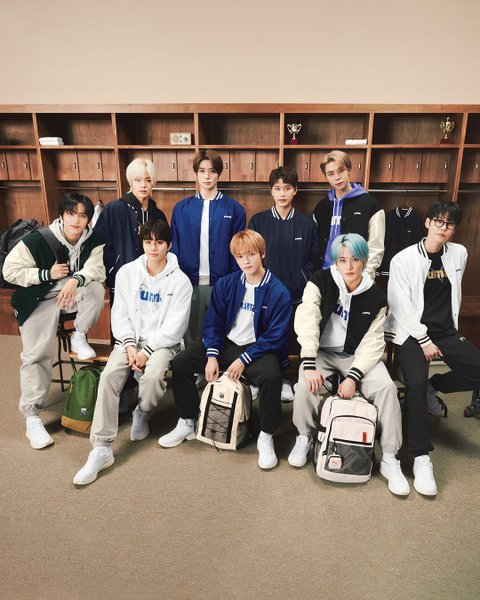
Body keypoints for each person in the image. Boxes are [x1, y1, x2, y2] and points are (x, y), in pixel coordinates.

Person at [159, 230, 292, 469]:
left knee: (271, 377)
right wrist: (212, 355)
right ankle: (188, 420)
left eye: (251, 254)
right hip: (227, 345)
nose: (246, 261)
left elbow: (276, 336)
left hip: (259, 349)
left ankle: (266, 434)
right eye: (240, 257)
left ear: (262, 254)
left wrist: (244, 359)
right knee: (181, 362)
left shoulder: (279, 291)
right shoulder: (227, 284)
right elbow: (213, 323)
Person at [73, 220, 193, 485]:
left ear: (169, 245)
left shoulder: (181, 281)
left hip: (162, 344)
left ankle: (142, 410)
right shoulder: (127, 272)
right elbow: (120, 314)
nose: (153, 248)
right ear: (143, 243)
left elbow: (175, 327)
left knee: (152, 377)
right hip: (129, 341)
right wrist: (129, 346)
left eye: (159, 242)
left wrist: (147, 352)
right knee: (108, 376)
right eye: (148, 242)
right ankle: (101, 448)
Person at [289, 233, 409, 496]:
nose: (349, 266)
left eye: (355, 259)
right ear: (336, 261)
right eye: (342, 260)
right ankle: (304, 436)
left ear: (364, 260)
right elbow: (307, 321)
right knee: (304, 384)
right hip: (322, 351)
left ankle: (390, 456)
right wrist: (308, 363)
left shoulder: (376, 296)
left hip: (356, 355)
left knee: (387, 388)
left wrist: (354, 376)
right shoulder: (319, 281)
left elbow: (373, 342)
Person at [386, 200, 480, 496]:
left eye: (449, 224)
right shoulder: (403, 259)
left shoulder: (459, 253)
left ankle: (435, 386)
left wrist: (440, 336)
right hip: (411, 332)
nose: (443, 228)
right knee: (414, 383)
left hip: (445, 330)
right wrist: (424, 340)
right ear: (427, 223)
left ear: (454, 229)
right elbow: (399, 305)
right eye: (438, 221)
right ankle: (420, 456)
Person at [3, 193, 105, 449]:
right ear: (62, 215)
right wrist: (45, 274)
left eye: (82, 215)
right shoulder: (37, 240)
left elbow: (96, 270)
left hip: (70, 295)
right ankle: (32, 416)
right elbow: (9, 271)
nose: (76, 221)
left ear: (88, 220)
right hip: (38, 298)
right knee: (36, 355)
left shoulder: (93, 239)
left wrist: (76, 280)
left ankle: (78, 335)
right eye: (71, 214)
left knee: (95, 289)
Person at [248, 165, 318, 401]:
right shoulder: (258, 221)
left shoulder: (306, 224)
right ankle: (258, 379)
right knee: (261, 336)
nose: (282, 193)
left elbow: (313, 260)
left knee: (289, 339)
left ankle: (286, 380)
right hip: (265, 293)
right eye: (277, 188)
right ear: (271, 191)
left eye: (287, 188)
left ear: (295, 190)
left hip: (295, 294)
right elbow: (250, 256)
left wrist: (299, 281)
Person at [171, 149, 246, 347]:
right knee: (192, 337)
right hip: (189, 284)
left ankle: (216, 365)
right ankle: (194, 365)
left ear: (219, 174)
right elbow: (175, 249)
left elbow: (238, 252)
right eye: (202, 171)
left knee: (220, 335)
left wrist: (232, 283)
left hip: (221, 284)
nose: (207, 176)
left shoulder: (234, 209)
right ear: (196, 173)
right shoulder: (181, 209)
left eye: (212, 171)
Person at [94, 157, 166, 306]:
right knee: (122, 319)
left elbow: (164, 248)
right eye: (138, 180)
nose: (143, 185)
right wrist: (112, 270)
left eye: (147, 180)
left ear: (153, 183)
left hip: (152, 283)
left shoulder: (158, 214)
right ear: (130, 182)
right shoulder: (114, 209)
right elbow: (99, 244)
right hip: (122, 279)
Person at [313, 150, 384, 280]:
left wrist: (365, 277)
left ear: (349, 170)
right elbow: (314, 244)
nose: (337, 177)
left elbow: (376, 247)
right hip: (324, 276)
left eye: (341, 171)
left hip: (354, 277)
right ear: (326, 176)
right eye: (331, 174)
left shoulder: (371, 205)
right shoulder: (321, 207)